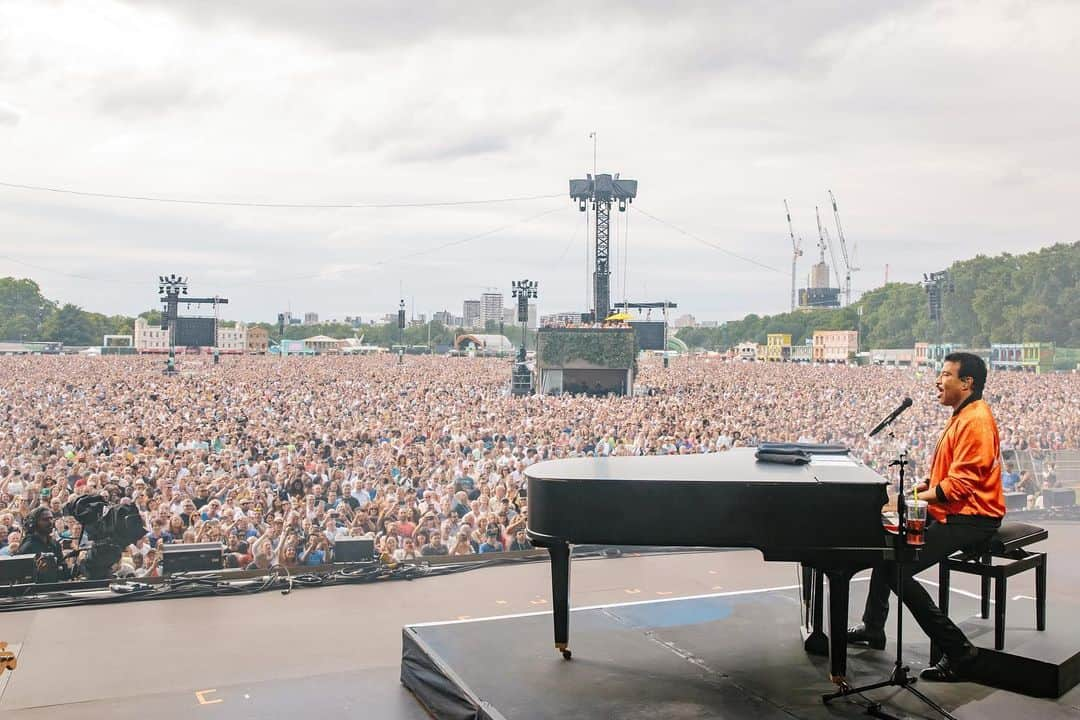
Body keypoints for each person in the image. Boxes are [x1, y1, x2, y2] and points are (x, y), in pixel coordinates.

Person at [848, 352, 1004, 682]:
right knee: (888, 545)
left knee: (897, 570)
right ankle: (873, 627)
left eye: (945, 374)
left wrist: (909, 499)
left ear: (967, 383)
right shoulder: (963, 414)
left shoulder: (976, 421)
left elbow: (957, 489)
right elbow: (942, 480)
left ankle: (959, 650)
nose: (937, 380)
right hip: (952, 511)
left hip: (972, 518)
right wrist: (909, 493)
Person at [17, 506, 70, 580]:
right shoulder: (27, 547)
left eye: (51, 518)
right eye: (45, 519)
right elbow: (22, 576)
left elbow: (64, 573)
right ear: (34, 523)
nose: (50, 522)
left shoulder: (54, 544)